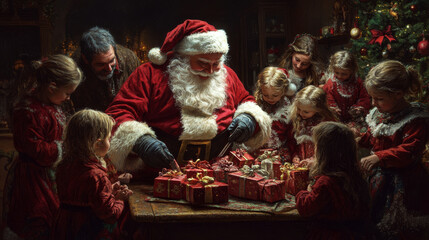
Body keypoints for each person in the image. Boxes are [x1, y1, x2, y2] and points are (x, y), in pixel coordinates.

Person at [105, 19, 272, 172]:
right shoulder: (149, 74)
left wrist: (250, 118)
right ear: (183, 56)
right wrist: (140, 142)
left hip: (221, 169)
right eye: (203, 63)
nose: (211, 71)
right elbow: (119, 112)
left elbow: (247, 101)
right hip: (161, 170)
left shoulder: (227, 74)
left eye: (217, 63)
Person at [7, 54, 82, 239]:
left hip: (53, 174)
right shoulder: (27, 110)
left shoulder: (51, 101)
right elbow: (36, 150)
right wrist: (64, 148)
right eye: (67, 93)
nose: (68, 98)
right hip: (34, 179)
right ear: (51, 88)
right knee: (40, 221)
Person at [359, 60, 429, 239]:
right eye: (372, 98)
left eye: (379, 98)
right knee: (375, 224)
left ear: (398, 94)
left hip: (405, 183)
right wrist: (359, 139)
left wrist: (379, 157)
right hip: (378, 179)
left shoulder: (415, 118)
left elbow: (408, 150)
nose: (374, 103)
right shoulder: (380, 113)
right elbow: (374, 137)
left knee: (398, 229)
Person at [52, 109, 133, 239]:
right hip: (89, 230)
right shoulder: (96, 175)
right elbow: (110, 214)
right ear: (97, 144)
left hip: (66, 228)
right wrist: (119, 199)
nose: (110, 142)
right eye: (108, 138)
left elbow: (84, 197)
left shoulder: (63, 166)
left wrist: (110, 191)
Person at [296, 122, 373, 239]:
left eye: (316, 146)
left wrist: (303, 192)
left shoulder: (326, 182)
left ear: (323, 152)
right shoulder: (354, 175)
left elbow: (306, 208)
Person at [71, 26, 140, 112]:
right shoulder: (74, 68)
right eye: (101, 64)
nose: (109, 68)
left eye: (112, 60)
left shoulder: (130, 59)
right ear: (86, 60)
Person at [287, 85, 337, 167]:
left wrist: (316, 160)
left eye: (306, 112)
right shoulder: (297, 120)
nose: (301, 113)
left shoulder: (325, 123)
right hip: (301, 164)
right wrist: (295, 156)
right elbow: (292, 143)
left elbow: (331, 149)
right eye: (299, 109)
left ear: (318, 109)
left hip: (320, 165)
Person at [322, 50, 371, 134]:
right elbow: (327, 98)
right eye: (337, 73)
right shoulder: (331, 84)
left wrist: (359, 107)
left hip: (354, 118)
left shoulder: (357, 82)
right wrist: (333, 108)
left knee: (357, 133)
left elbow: (364, 97)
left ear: (351, 71)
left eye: (344, 74)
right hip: (337, 118)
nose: (340, 76)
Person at [253, 66, 295, 159]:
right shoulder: (256, 105)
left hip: (280, 152)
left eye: (275, 95)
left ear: (284, 91)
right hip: (258, 150)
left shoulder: (289, 108)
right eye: (266, 95)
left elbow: (291, 135)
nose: (270, 99)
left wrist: (293, 153)